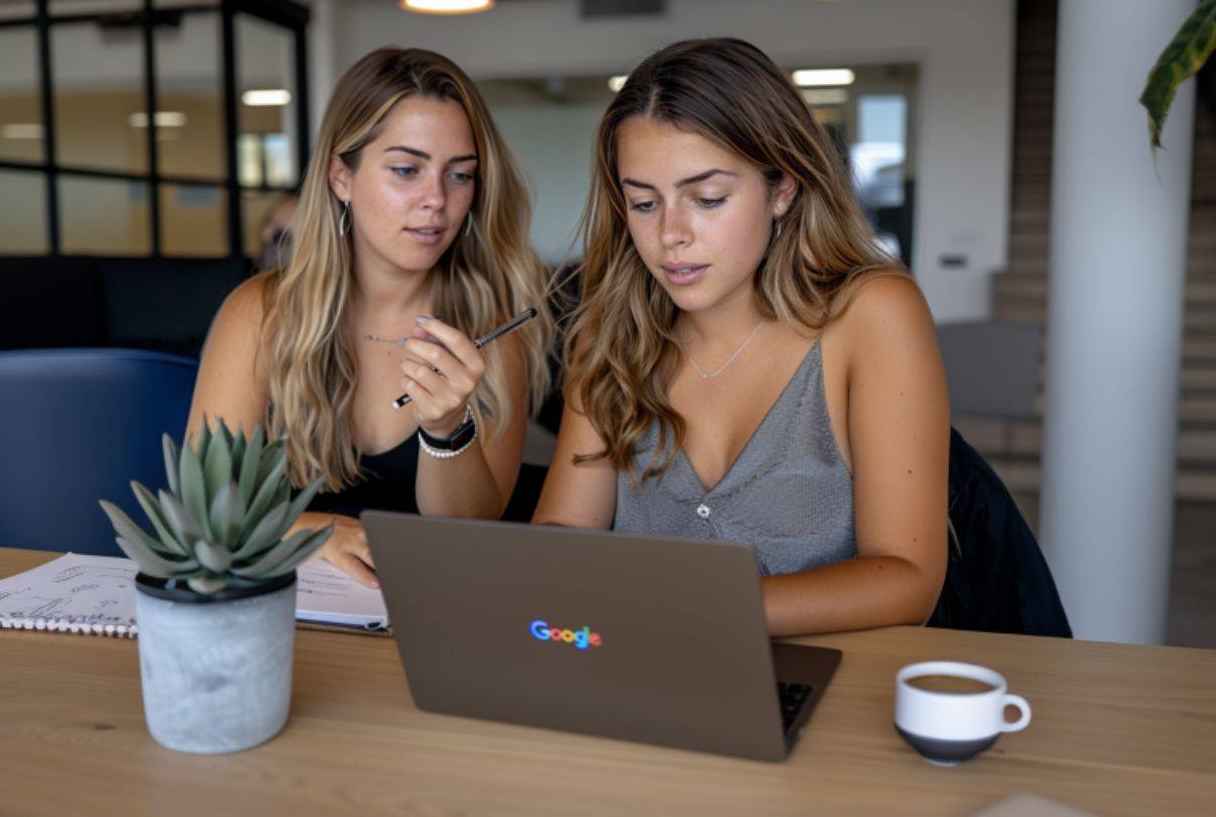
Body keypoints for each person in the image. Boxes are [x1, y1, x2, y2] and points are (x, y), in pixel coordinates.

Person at [533, 38, 949, 636]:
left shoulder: (873, 315)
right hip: (635, 677)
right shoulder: (612, 331)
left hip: (829, 689)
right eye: (644, 203)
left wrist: (685, 613)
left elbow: (907, 578)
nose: (670, 235)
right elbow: (563, 535)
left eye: (707, 199)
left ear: (782, 189)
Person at [189, 47, 552, 588]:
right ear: (341, 176)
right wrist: (314, 530)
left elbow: (471, 528)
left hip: (432, 613)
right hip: (286, 615)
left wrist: (447, 431)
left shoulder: (488, 330)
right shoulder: (261, 314)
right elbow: (203, 506)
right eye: (407, 170)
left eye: (460, 176)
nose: (436, 200)